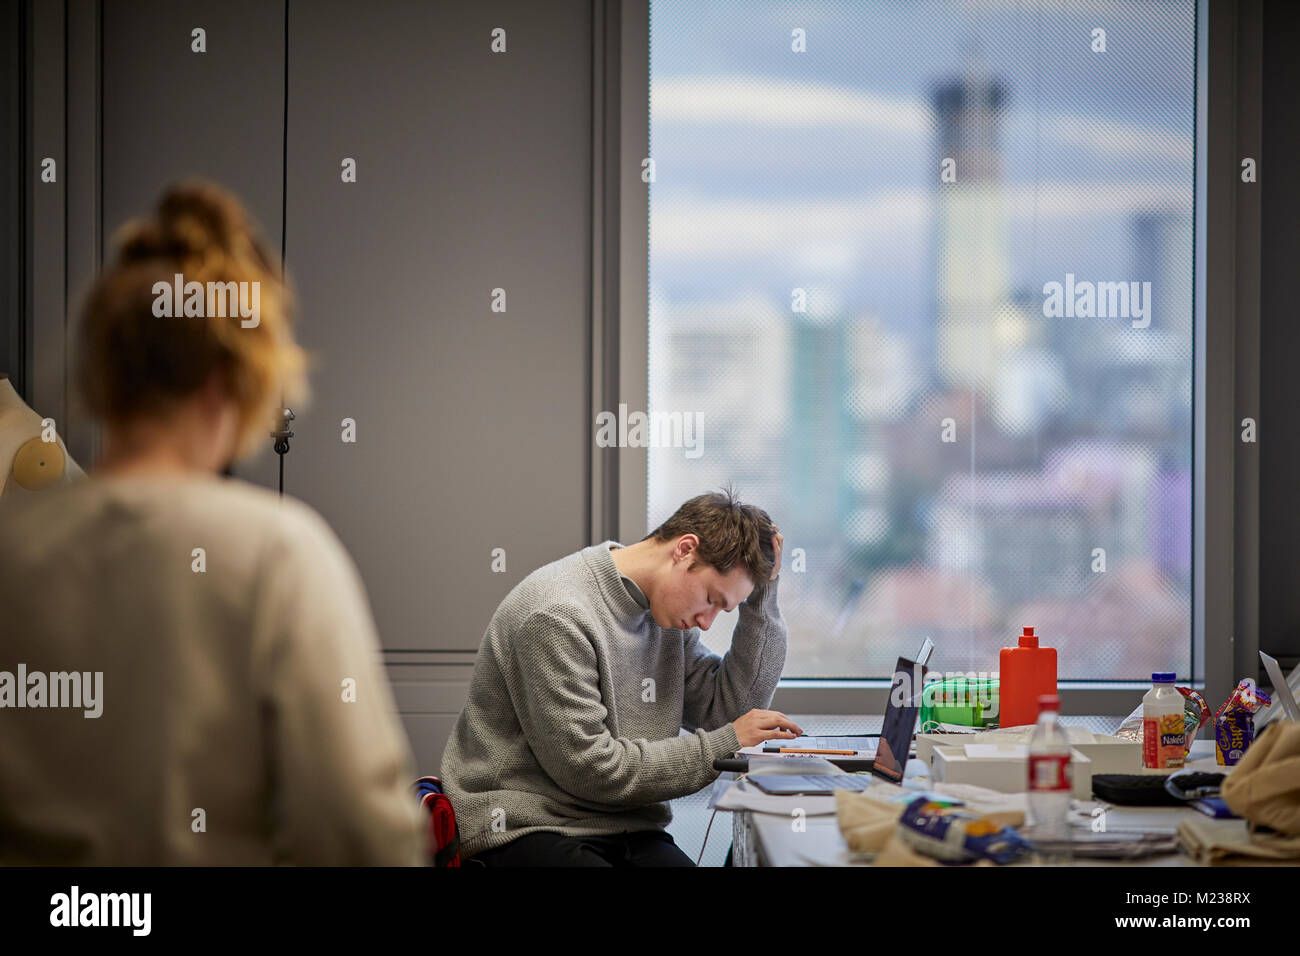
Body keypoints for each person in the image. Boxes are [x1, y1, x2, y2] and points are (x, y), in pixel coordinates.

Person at [0, 181, 423, 865]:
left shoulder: (12, 549)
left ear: (108, 371)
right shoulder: (279, 555)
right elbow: (359, 837)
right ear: (227, 383)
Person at [440, 488, 802, 866]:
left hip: (627, 827)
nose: (706, 621)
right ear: (684, 550)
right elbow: (591, 770)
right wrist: (722, 744)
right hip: (526, 825)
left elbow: (727, 710)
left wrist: (763, 596)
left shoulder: (666, 618)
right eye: (712, 598)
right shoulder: (556, 614)